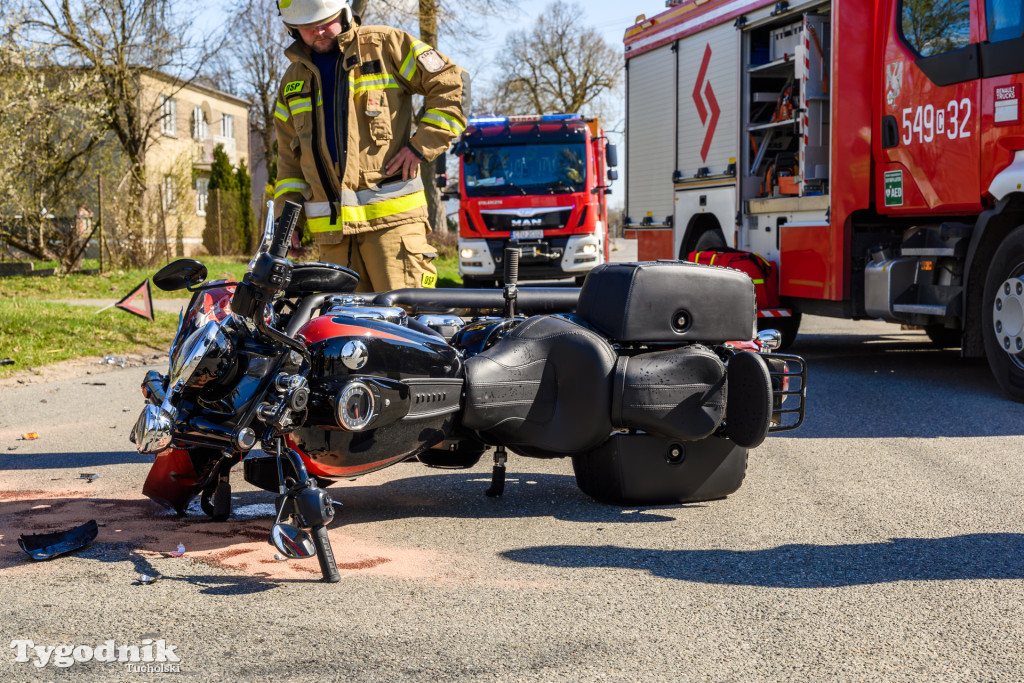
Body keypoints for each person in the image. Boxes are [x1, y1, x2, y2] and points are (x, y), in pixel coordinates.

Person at [273, 0, 469, 292]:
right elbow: (289, 164)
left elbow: (453, 83)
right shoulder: (291, 82)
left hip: (392, 229)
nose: (318, 32)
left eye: (324, 22)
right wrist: (287, 223)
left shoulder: (385, 45)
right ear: (292, 29)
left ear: (342, 13)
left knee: (404, 316)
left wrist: (421, 146)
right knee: (342, 321)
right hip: (334, 240)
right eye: (307, 27)